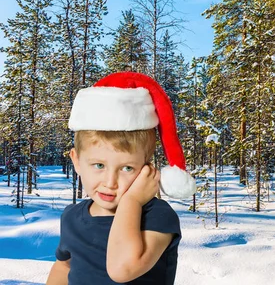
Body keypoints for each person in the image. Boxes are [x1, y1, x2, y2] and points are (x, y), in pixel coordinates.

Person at [46, 72, 196, 284]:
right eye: (99, 165)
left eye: (126, 168)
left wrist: (132, 201)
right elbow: (64, 266)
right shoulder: (72, 217)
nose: (110, 182)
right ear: (77, 161)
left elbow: (122, 269)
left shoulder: (158, 217)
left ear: (146, 170)